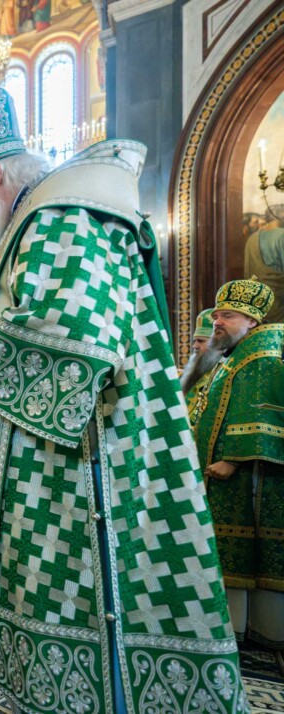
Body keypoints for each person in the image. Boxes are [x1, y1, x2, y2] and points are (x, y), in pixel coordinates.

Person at [0, 86, 247, 711]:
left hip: (86, 470)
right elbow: (13, 324)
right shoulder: (39, 219)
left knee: (95, 611)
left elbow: (74, 334)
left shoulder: (61, 215)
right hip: (61, 466)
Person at [190, 278, 284, 668]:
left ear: (251, 320)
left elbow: (259, 409)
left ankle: (253, 629)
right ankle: (238, 627)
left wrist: (233, 459)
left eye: (227, 316)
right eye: (216, 315)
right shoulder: (238, 352)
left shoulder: (261, 352)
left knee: (243, 551)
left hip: (247, 478)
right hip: (227, 478)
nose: (217, 322)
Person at [181, 308, 219, 411]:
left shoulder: (221, 376)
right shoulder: (190, 375)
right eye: (195, 341)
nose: (195, 346)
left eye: (201, 341)